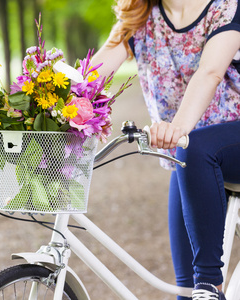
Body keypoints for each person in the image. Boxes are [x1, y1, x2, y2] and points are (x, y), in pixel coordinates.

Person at [91, 0, 240, 299]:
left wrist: (178, 127)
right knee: (186, 289)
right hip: (190, 157)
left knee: (203, 284)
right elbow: (93, 74)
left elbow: (210, 72)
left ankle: (212, 285)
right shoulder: (140, 14)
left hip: (224, 140)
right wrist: (49, 100)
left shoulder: (225, 7)